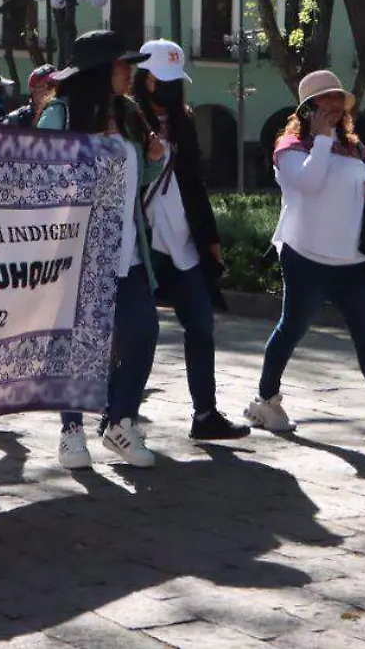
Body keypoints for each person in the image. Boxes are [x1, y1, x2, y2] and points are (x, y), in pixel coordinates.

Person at [245, 70, 365, 442]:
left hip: (351, 261)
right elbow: (310, 183)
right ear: (308, 107)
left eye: (338, 100)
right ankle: (265, 401)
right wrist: (323, 140)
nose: (334, 106)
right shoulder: (290, 148)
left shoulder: (356, 147)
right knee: (292, 328)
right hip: (304, 257)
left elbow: (364, 197)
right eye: (326, 100)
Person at [39, 29, 168, 469]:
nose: (130, 73)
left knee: (144, 333)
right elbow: (38, 180)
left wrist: (154, 157)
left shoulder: (130, 113)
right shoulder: (58, 116)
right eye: (122, 65)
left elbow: (140, 182)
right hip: (76, 254)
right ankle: (71, 431)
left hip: (128, 253)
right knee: (79, 344)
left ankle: (119, 421)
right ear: (100, 71)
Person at [132, 39, 250, 441]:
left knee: (201, 323)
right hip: (141, 241)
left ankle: (205, 414)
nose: (168, 88)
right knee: (136, 330)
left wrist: (210, 238)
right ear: (144, 79)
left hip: (182, 240)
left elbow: (195, 183)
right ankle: (119, 415)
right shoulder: (127, 117)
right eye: (161, 80)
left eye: (173, 81)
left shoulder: (184, 118)